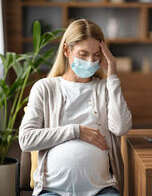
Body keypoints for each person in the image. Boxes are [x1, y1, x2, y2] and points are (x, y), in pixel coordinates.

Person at [19, 19, 132, 196]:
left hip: (102, 189)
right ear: (66, 50)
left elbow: (122, 127)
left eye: (96, 55)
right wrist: (76, 131)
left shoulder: (105, 88)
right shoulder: (45, 88)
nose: (90, 61)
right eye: (83, 54)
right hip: (52, 190)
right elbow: (26, 140)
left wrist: (113, 77)